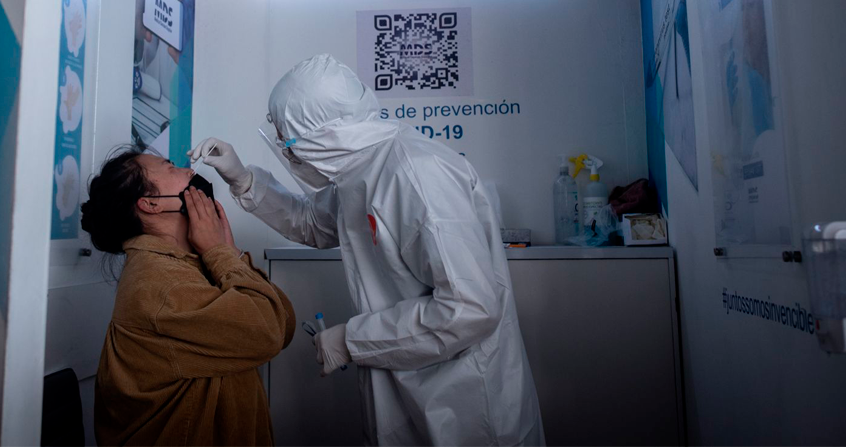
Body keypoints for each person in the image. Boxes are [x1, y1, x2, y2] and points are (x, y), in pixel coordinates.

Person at [189, 54, 544, 446]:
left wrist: (352, 340)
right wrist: (243, 179)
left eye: (289, 143)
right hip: (412, 380)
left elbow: (470, 308)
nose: (289, 154)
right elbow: (313, 223)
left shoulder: (417, 175)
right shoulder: (360, 171)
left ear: (324, 136)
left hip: (462, 397)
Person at [81, 146, 295, 446]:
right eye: (171, 167)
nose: (190, 171)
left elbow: (285, 327)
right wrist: (220, 253)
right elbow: (269, 333)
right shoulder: (163, 284)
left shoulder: (190, 264)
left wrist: (229, 254)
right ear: (150, 204)